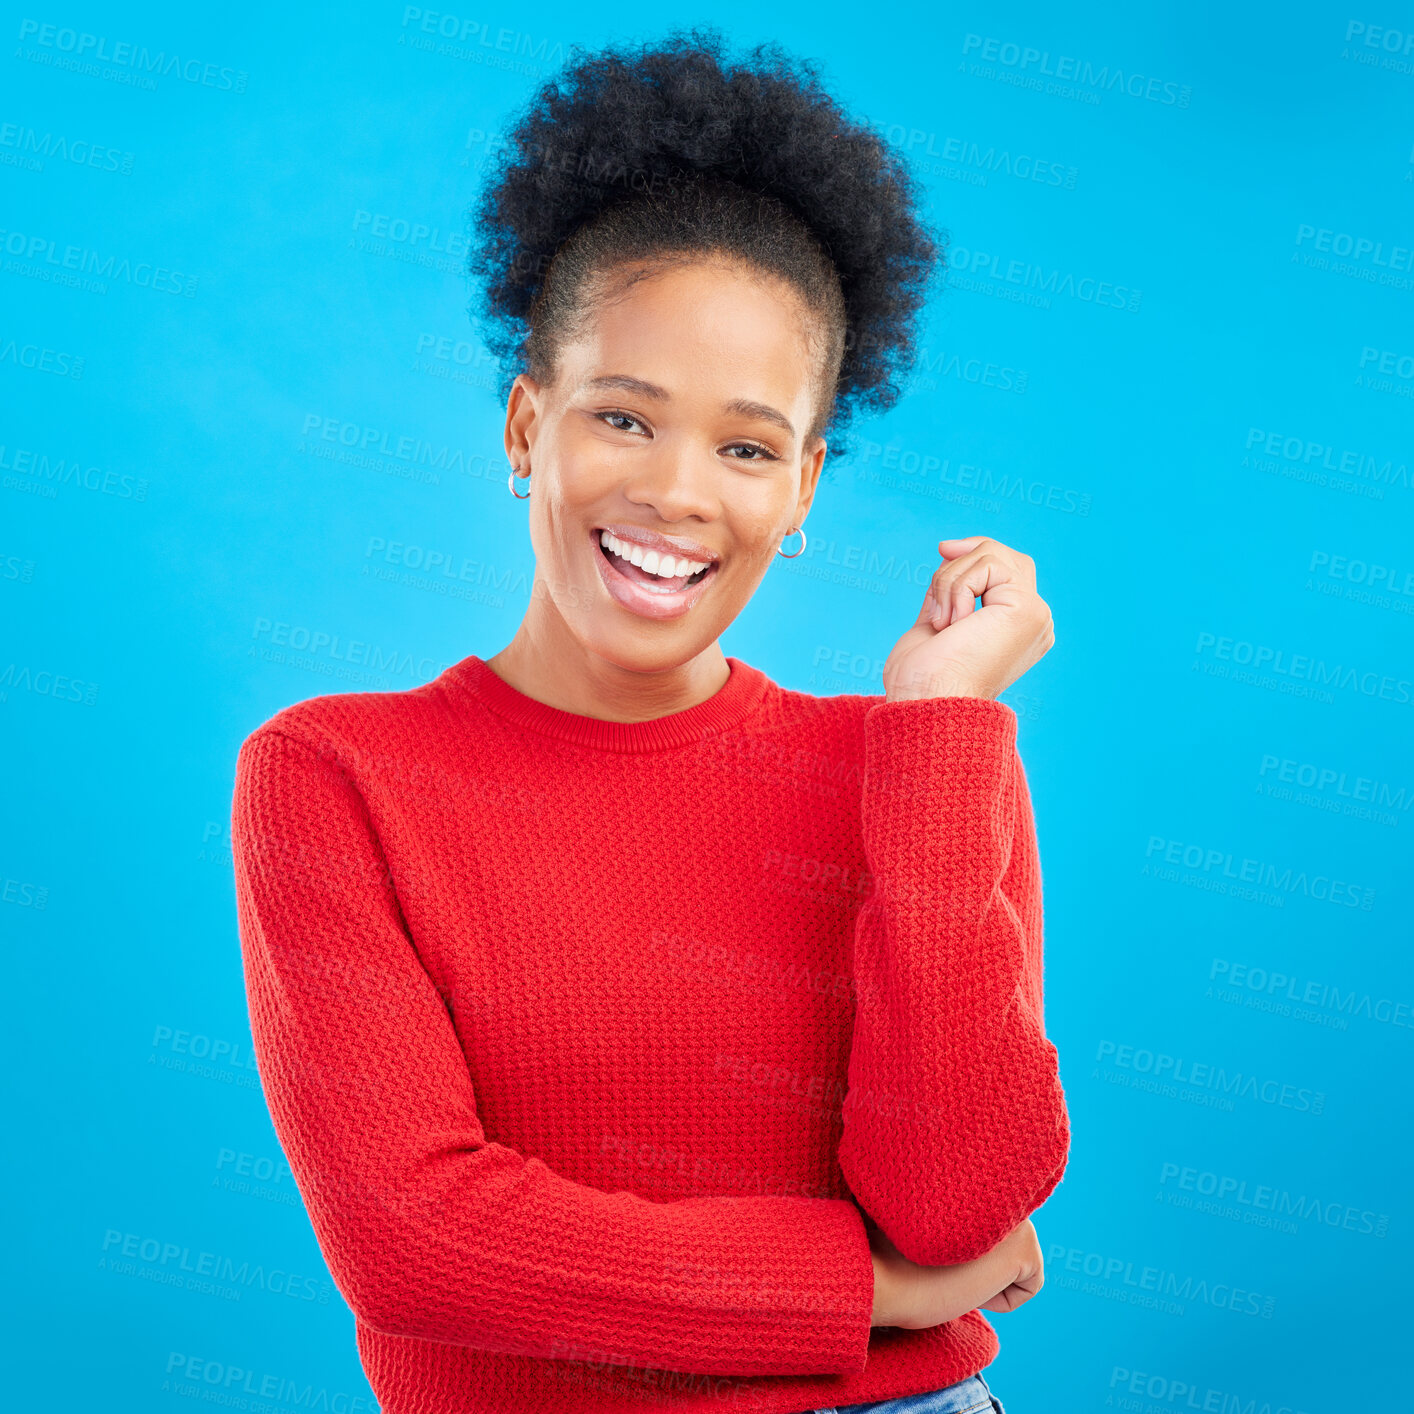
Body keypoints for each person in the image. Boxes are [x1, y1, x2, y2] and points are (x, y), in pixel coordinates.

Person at [231, 29, 1068, 1414]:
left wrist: (934, 736)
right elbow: (417, 1242)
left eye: (745, 447)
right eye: (624, 418)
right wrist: (871, 1294)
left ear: (801, 490)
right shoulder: (332, 775)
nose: (680, 491)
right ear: (524, 424)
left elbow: (956, 1197)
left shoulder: (919, 763)